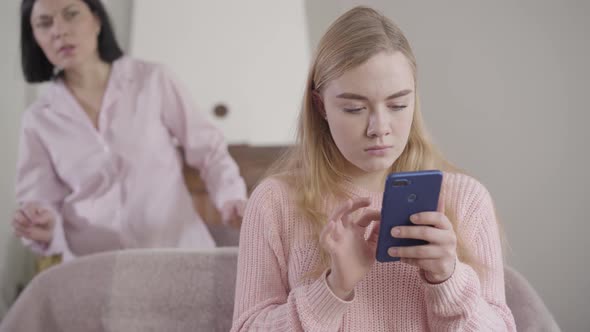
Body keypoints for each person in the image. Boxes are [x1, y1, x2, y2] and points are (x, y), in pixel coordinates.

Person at [231, 6, 516, 331]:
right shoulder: (274, 203)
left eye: (397, 105)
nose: (379, 127)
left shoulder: (466, 199)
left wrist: (448, 278)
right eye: (354, 108)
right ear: (321, 106)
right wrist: (333, 288)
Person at [12, 0, 247, 262]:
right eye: (45, 24)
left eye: (71, 15)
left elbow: (209, 149)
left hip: (178, 254)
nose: (59, 31)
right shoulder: (38, 119)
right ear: (34, 37)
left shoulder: (153, 79)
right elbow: (39, 200)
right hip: (94, 267)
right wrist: (43, 227)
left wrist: (231, 197)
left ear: (97, 20)